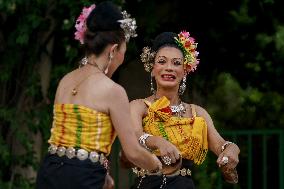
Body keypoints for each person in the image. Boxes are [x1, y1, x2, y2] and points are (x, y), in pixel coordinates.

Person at [35, 2, 162, 189]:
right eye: (123, 53)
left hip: (50, 172)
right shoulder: (112, 91)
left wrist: (102, 173)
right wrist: (158, 166)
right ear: (112, 51)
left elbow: (78, 141)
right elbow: (133, 152)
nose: (122, 59)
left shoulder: (65, 81)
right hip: (83, 179)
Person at [122, 31, 240, 189]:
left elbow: (221, 145)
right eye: (162, 61)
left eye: (176, 63)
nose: (169, 68)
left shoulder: (197, 113)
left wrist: (232, 149)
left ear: (185, 70)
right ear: (152, 67)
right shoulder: (139, 107)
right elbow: (133, 136)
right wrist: (157, 141)